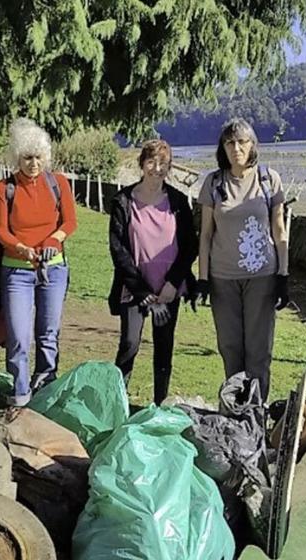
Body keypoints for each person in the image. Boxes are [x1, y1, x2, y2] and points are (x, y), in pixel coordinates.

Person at [196, 118, 288, 398]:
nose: (236, 148)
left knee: (259, 350)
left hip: (262, 276)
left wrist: (283, 275)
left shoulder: (268, 179)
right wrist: (203, 278)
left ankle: (256, 413)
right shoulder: (213, 182)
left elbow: (280, 229)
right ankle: (236, 409)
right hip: (223, 277)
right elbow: (206, 235)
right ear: (222, 147)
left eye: (242, 142)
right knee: (230, 347)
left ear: (253, 145)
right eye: (230, 142)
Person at [0, 118, 77, 408]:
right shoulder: (4, 189)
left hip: (53, 268)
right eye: (27, 158)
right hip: (17, 270)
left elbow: (70, 221)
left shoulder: (59, 183)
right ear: (17, 157)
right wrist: (20, 248)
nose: (34, 164)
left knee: (48, 333)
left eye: (39, 157)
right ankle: (20, 393)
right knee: (18, 335)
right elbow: (1, 230)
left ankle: (46, 388)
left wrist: (54, 241)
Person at [108, 139, 197, 404]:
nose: (156, 169)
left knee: (164, 346)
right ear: (142, 164)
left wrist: (172, 283)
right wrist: (141, 290)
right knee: (129, 343)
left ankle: (159, 405)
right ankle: (118, 403)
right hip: (134, 288)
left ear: (169, 167)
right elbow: (118, 249)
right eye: (151, 162)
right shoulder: (123, 201)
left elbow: (189, 247)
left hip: (168, 290)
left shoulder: (179, 202)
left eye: (163, 164)